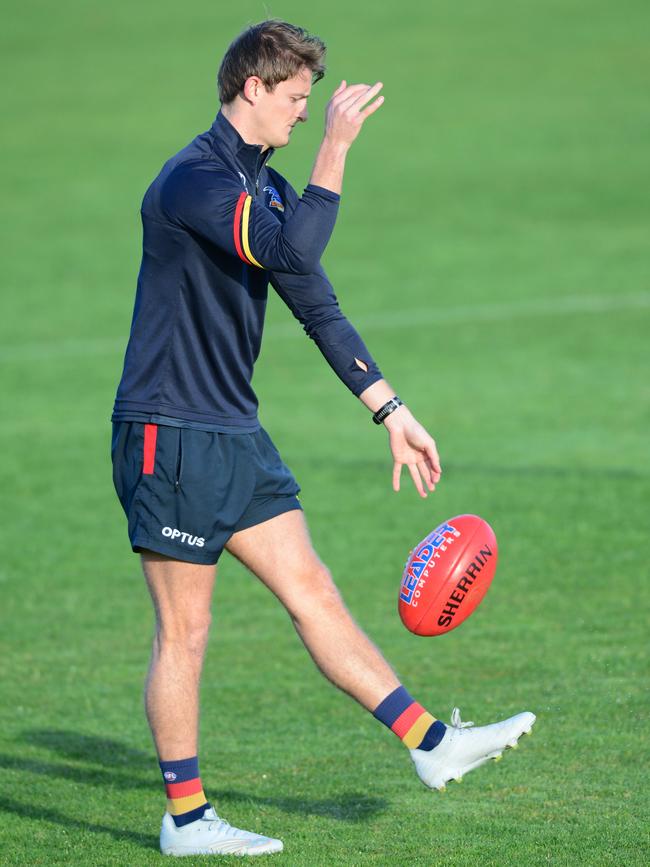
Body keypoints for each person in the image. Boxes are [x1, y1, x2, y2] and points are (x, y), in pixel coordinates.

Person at [111, 20, 535, 858]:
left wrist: (391, 410)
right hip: (172, 434)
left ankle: (432, 746)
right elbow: (288, 247)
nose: (307, 114)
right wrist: (337, 151)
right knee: (184, 632)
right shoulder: (194, 179)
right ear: (254, 89)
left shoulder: (258, 185)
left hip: (233, 429)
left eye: (315, 104)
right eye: (298, 99)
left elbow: (315, 300)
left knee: (314, 589)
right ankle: (187, 821)